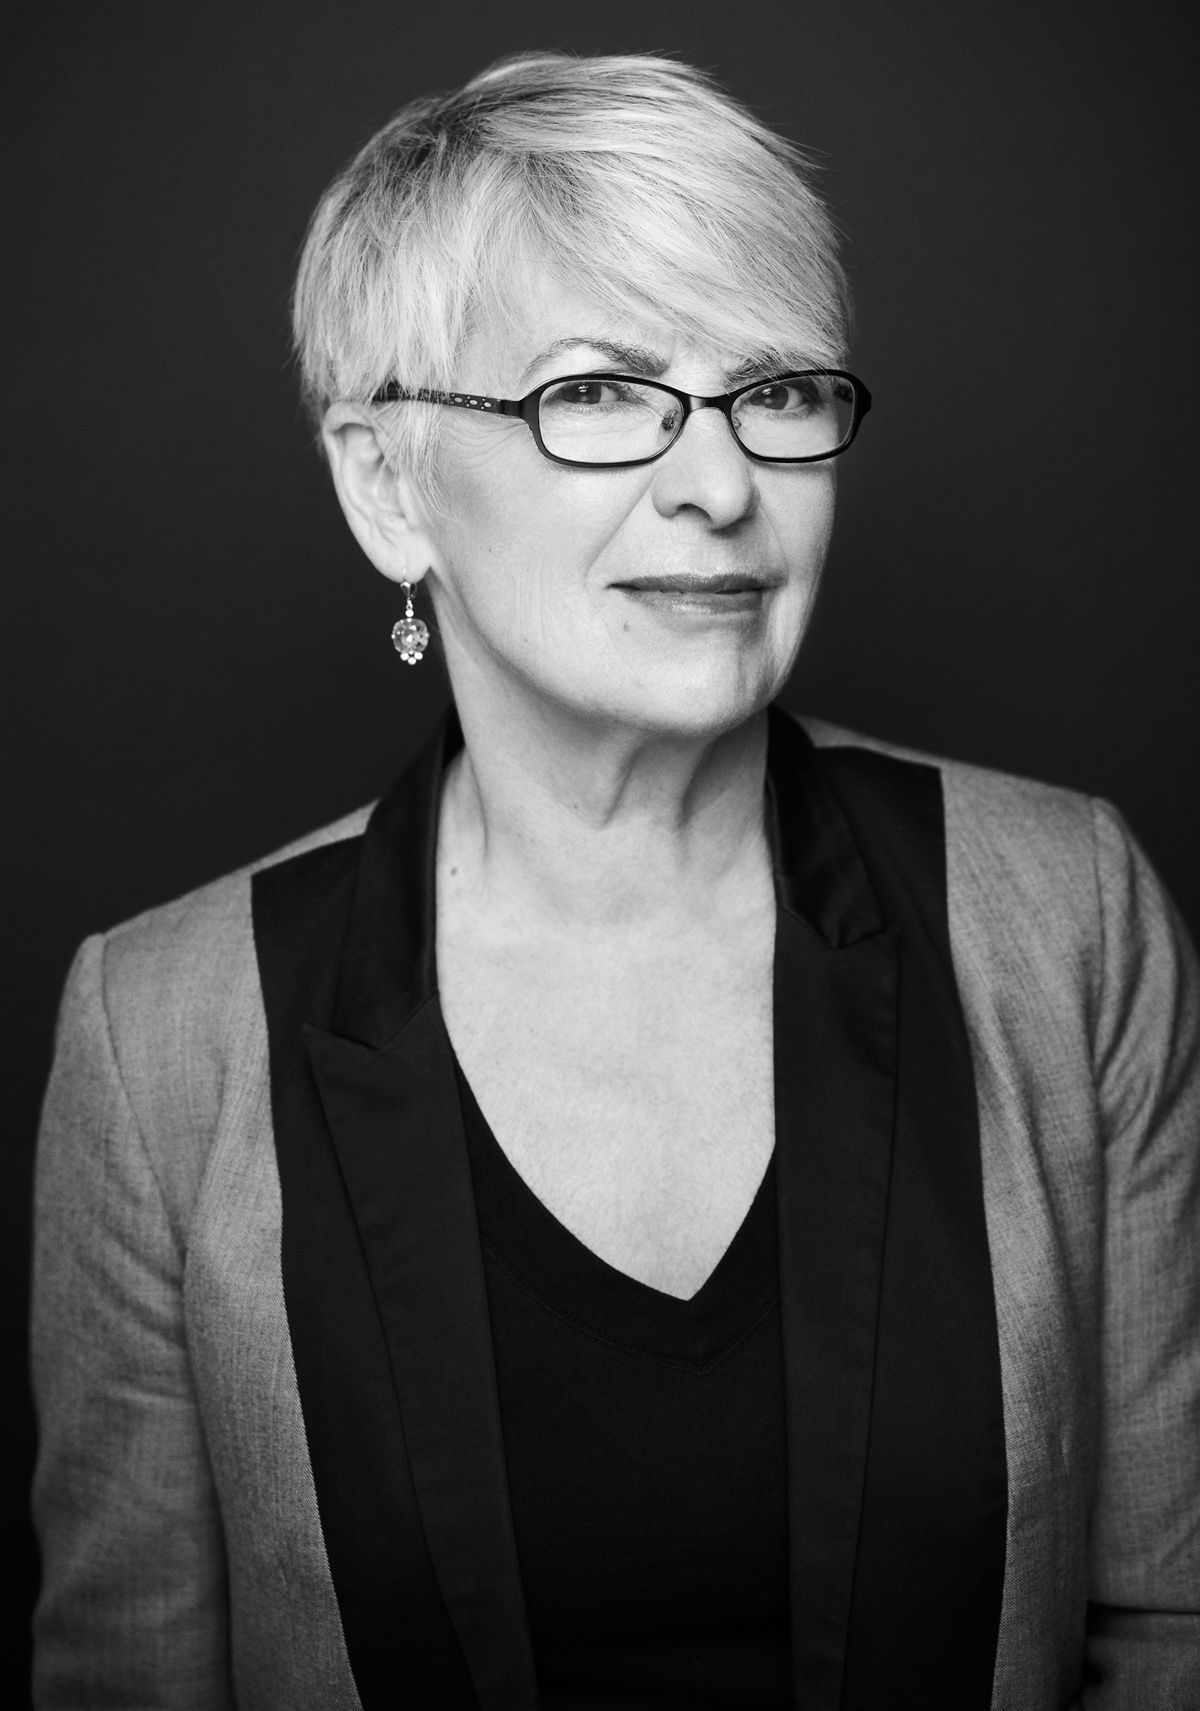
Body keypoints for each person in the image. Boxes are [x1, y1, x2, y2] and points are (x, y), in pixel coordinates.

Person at [29, 50, 1200, 1711]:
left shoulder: (1065, 916)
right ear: (387, 485)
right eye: (598, 392)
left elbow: (1170, 1622)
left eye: (779, 389)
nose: (724, 486)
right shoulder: (162, 1038)